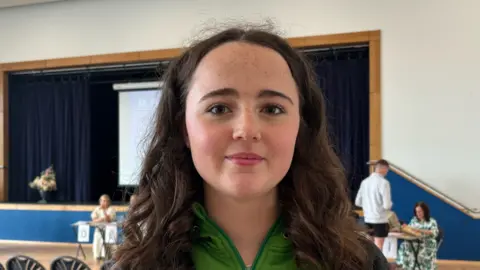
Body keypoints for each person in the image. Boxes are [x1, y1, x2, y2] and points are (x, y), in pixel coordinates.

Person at [113, 26, 389, 269]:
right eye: (218, 108)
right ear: (184, 129)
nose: (246, 130)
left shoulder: (359, 262)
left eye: (272, 108)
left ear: (301, 127)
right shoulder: (138, 264)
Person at [355, 159, 393, 251]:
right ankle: (377, 265)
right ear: (384, 169)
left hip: (367, 219)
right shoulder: (384, 183)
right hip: (380, 220)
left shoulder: (365, 182)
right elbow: (387, 205)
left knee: (369, 248)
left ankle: (368, 265)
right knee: (378, 248)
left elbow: (357, 202)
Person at [396, 202, 439, 269]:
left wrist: (417, 230)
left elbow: (434, 232)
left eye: (420, 211)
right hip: (414, 241)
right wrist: (404, 229)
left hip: (427, 243)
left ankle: (416, 266)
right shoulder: (414, 220)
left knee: (411, 247)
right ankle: (406, 266)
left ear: (425, 211)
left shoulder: (432, 221)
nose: (418, 213)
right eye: (416, 212)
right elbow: (410, 230)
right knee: (404, 245)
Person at [91, 194, 116, 261]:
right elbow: (94, 220)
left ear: (108, 202)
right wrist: (102, 219)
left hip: (109, 230)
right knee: (97, 241)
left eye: (106, 201)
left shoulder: (111, 209)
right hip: (98, 229)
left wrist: (104, 211)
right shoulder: (97, 209)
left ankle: (106, 257)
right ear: (100, 201)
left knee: (107, 245)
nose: (104, 202)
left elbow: (108, 220)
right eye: (103, 201)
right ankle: (97, 256)